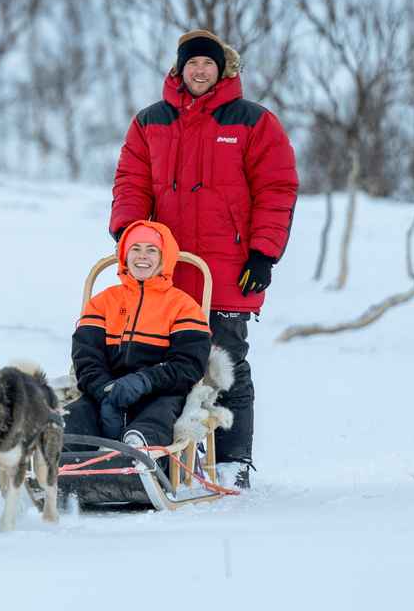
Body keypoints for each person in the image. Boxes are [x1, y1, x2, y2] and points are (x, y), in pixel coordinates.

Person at [109, 29, 298, 488]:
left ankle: (232, 461)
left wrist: (263, 253)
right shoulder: (150, 121)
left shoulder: (253, 121)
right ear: (179, 68)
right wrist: (128, 232)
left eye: (207, 64)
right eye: (191, 63)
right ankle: (166, 455)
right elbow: (131, 181)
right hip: (165, 271)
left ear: (222, 69)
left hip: (229, 270)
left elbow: (277, 189)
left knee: (225, 362)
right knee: (161, 365)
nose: (199, 70)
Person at [67, 219, 211, 453]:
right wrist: (104, 390)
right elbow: (86, 356)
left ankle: (137, 451)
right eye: (135, 248)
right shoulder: (103, 302)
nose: (142, 256)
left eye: (151, 250)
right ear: (125, 254)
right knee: (77, 415)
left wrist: (144, 381)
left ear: (164, 257)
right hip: (106, 392)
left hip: (159, 393)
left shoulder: (183, 306)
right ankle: (65, 460)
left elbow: (189, 365)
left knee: (160, 415)